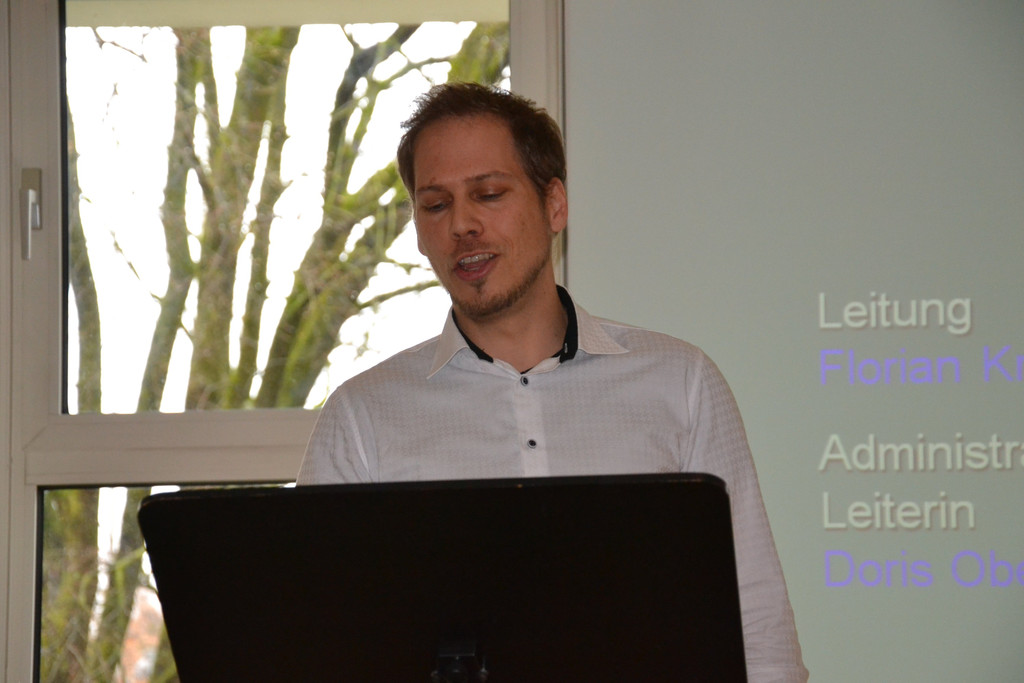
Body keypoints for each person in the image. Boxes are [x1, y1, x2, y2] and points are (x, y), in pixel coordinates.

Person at [298, 82, 808, 682]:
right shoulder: (361, 416)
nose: (462, 224)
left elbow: (758, 628)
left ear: (555, 205)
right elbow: (316, 646)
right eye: (435, 205)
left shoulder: (681, 381)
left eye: (489, 194)